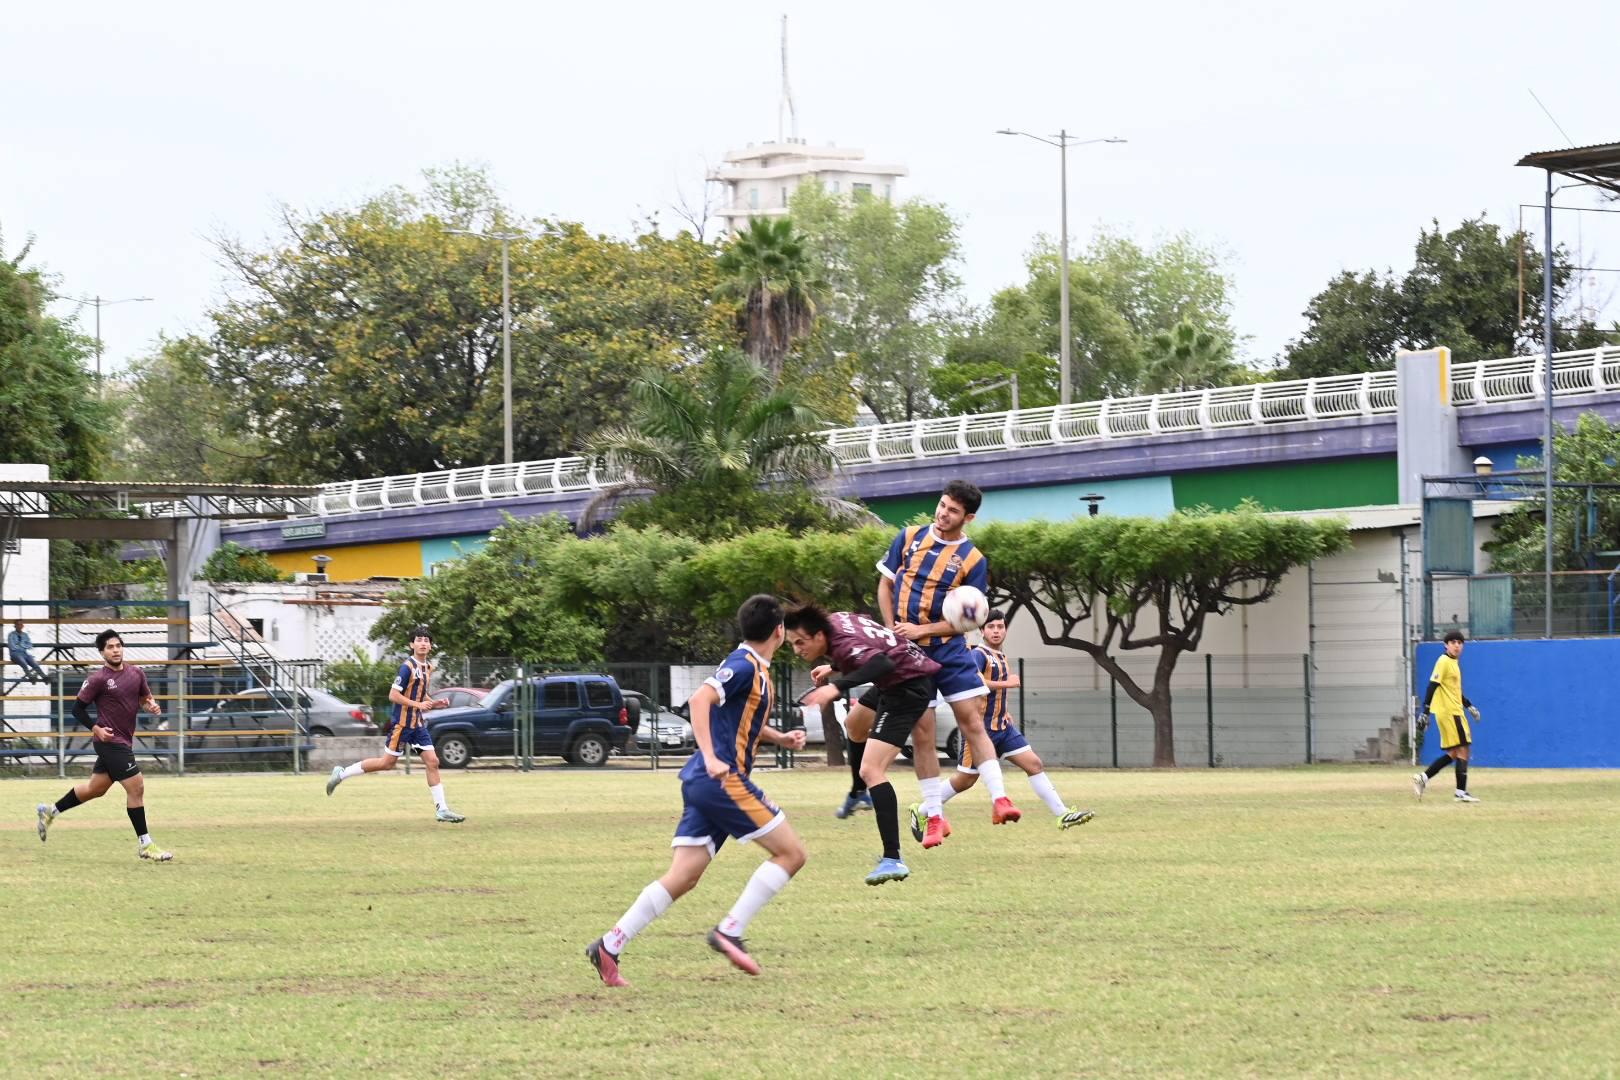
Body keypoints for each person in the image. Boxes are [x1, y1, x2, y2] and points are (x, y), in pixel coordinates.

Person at [587, 595, 808, 986]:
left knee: (683, 876)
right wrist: (709, 756)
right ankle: (730, 931)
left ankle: (609, 945)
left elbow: (739, 719)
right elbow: (700, 699)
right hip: (720, 780)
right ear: (780, 631)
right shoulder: (744, 664)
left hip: (705, 784)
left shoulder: (755, 667)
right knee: (792, 854)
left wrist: (780, 738)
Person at [878, 479, 1022, 833]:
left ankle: (1000, 799)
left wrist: (923, 630)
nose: (943, 513)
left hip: (949, 651)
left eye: (953, 510)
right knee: (923, 733)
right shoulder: (908, 537)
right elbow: (885, 584)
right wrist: (892, 630)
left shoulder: (973, 560)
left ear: (968, 517)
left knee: (972, 721)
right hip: (910, 655)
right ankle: (934, 816)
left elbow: (969, 620)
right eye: (942, 505)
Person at [786, 603, 940, 885]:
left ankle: (893, 858)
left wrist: (836, 685)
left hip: (906, 686)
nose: (797, 650)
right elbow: (870, 635)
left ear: (819, 635)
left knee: (872, 770)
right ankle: (859, 793)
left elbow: (882, 663)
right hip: (896, 677)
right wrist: (834, 666)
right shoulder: (837, 619)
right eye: (792, 643)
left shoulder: (842, 644)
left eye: (800, 642)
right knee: (854, 725)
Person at [909, 611, 1094, 839]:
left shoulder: (1000, 655)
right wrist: (1008, 683)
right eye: (991, 627)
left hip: (1003, 727)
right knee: (965, 780)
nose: (996, 631)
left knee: (1034, 764)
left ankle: (1062, 813)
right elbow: (975, 681)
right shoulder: (978, 654)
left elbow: (994, 695)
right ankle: (922, 810)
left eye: (1000, 626)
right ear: (982, 631)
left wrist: (1005, 712)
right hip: (981, 731)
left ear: (1005, 630)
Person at [35, 629, 172, 860]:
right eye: (110, 647)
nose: (116, 650)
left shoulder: (137, 673)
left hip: (123, 740)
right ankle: (145, 844)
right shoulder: (97, 679)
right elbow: (77, 709)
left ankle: (50, 811)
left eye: (118, 645)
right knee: (136, 787)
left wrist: (150, 705)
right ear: (102, 652)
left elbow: (144, 699)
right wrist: (96, 728)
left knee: (95, 789)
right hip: (109, 741)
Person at [325, 627, 464, 823]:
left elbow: (419, 693)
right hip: (402, 724)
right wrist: (418, 705)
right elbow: (394, 695)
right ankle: (342, 773)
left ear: (431, 646)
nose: (423, 643)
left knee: (433, 762)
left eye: (426, 640)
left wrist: (434, 703)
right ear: (412, 644)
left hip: (417, 725)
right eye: (419, 640)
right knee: (387, 763)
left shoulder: (428, 667)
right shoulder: (407, 667)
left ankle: (442, 810)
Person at [1413, 629, 1482, 803]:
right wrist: (1425, 711)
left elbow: (1454, 691)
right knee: (1464, 748)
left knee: (1454, 752)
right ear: (1446, 645)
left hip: (1454, 711)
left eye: (1459, 643)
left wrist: (1469, 705)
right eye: (1453, 642)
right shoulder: (1443, 661)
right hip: (1451, 713)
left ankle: (1423, 778)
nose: (1456, 646)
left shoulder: (1454, 663)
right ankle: (1460, 793)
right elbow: (1432, 685)